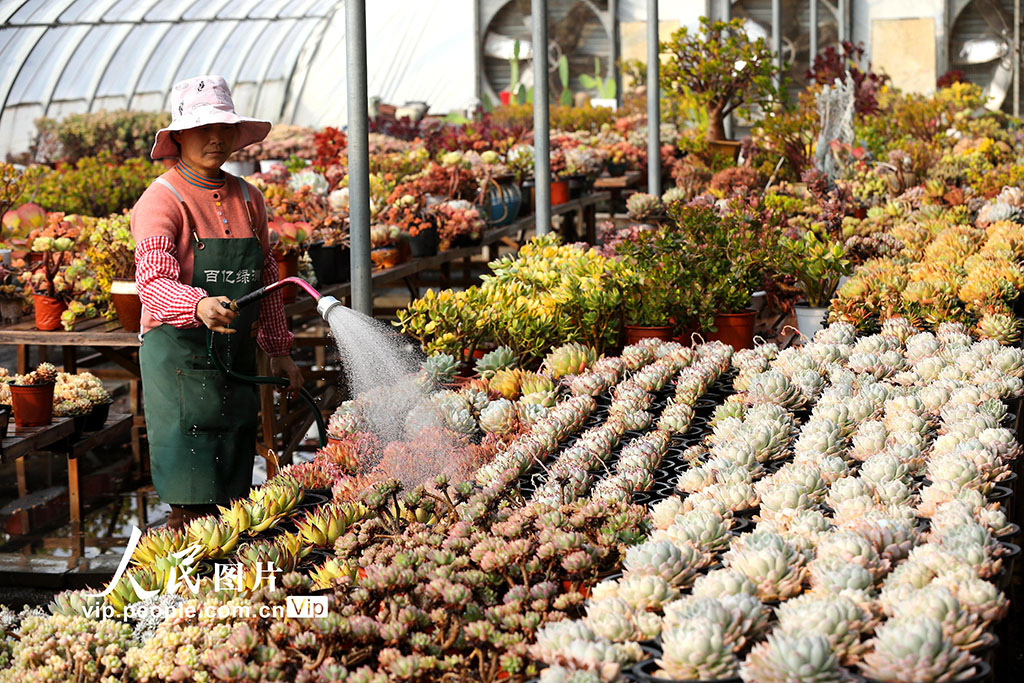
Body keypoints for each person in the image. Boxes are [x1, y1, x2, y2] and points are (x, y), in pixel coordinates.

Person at [131, 75, 303, 529]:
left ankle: (227, 590)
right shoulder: (161, 200)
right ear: (179, 136)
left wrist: (280, 351)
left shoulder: (249, 197)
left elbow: (265, 278)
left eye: (224, 128)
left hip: (235, 361)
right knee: (190, 504)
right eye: (203, 128)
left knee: (233, 495)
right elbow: (153, 280)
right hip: (180, 363)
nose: (215, 138)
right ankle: (181, 590)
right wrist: (198, 305)